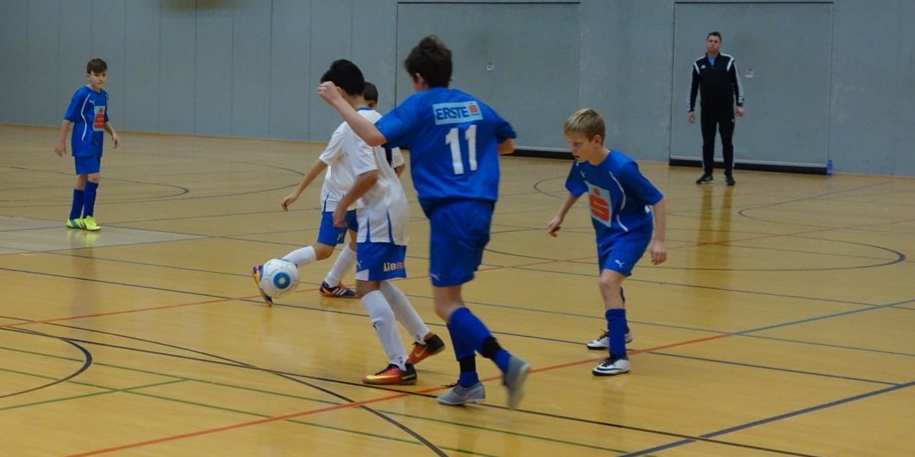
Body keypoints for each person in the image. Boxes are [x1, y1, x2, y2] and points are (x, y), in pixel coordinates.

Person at [317, 35, 530, 408]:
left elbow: (373, 136)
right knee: (454, 299)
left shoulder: (421, 104)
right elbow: (507, 144)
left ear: (417, 77)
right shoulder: (474, 104)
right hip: (482, 208)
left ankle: (504, 361)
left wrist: (337, 102)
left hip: (450, 211)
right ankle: (468, 381)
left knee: (445, 305)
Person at [318, 59, 446, 385]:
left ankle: (399, 364)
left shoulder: (352, 126)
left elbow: (369, 175)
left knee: (365, 287)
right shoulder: (378, 118)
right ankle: (424, 338)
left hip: (379, 213)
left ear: (340, 92)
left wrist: (342, 205)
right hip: (393, 205)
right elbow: (396, 165)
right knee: (376, 281)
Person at [253, 85, 405, 303]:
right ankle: (268, 269)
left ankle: (331, 284)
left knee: (359, 242)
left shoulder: (377, 128)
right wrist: (297, 191)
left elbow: (398, 164)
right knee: (324, 249)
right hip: (337, 198)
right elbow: (322, 162)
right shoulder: (349, 130)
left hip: (360, 198)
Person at [547, 108, 666, 376]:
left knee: (607, 283)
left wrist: (659, 241)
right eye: (570, 143)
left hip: (631, 231)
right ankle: (620, 331)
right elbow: (577, 188)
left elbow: (658, 200)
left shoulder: (622, 168)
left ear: (596, 140)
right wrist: (560, 215)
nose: (572, 150)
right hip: (604, 232)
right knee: (609, 283)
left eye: (577, 144)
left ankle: (619, 357)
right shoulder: (582, 162)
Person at [54, 58, 119, 231]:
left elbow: (102, 118)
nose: (100, 78)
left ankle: (74, 218)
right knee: (94, 177)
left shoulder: (103, 95)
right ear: (88, 76)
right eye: (96, 75)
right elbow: (68, 118)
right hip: (83, 141)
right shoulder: (82, 94)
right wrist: (61, 141)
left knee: (83, 177)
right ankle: (88, 216)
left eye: (103, 75)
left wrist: (112, 133)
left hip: (96, 142)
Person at [687, 31, 745, 186]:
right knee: (708, 142)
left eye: (716, 41)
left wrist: (740, 104)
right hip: (707, 110)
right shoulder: (698, 64)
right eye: (710, 41)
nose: (712, 44)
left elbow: (737, 83)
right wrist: (690, 108)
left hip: (725, 109)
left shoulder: (728, 61)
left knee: (727, 142)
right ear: (706, 43)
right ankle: (708, 174)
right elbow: (693, 88)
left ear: (720, 44)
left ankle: (728, 174)